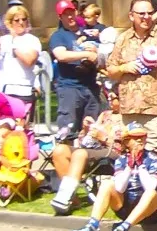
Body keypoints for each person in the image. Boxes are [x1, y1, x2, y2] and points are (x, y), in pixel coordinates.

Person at [105, 0, 157, 159]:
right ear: (131, 16)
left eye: (149, 13)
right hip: (129, 108)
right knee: (129, 153)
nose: (146, 17)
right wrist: (124, 67)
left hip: (156, 108)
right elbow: (111, 70)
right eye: (141, 14)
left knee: (156, 154)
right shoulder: (123, 39)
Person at [72, 122, 157, 231]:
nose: (140, 141)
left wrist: (140, 165)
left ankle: (123, 228)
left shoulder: (152, 158)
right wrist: (129, 168)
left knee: (151, 192)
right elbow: (119, 188)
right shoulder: (122, 159)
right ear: (126, 142)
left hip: (148, 210)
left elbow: (150, 186)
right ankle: (92, 226)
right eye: (135, 138)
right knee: (107, 184)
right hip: (125, 205)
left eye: (142, 137)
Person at [49, 86, 125, 214]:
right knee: (60, 150)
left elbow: (126, 144)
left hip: (114, 153)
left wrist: (104, 138)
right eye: (109, 97)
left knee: (79, 154)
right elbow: (88, 140)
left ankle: (64, 197)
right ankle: (73, 199)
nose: (110, 100)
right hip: (93, 150)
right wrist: (86, 129)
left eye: (113, 98)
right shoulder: (105, 114)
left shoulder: (128, 117)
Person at [49, 0, 101, 139]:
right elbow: (61, 55)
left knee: (92, 133)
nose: (70, 16)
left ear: (76, 11)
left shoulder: (89, 33)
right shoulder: (58, 36)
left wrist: (96, 51)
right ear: (60, 17)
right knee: (68, 132)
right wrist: (87, 54)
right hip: (69, 88)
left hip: (91, 88)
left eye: (71, 12)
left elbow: (103, 54)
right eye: (65, 14)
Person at [0, 4, 41, 108]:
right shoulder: (2, 40)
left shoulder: (32, 40)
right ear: (10, 23)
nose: (21, 22)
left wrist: (14, 45)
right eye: (17, 20)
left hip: (24, 91)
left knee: (21, 124)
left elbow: (29, 61)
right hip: (3, 91)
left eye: (23, 19)